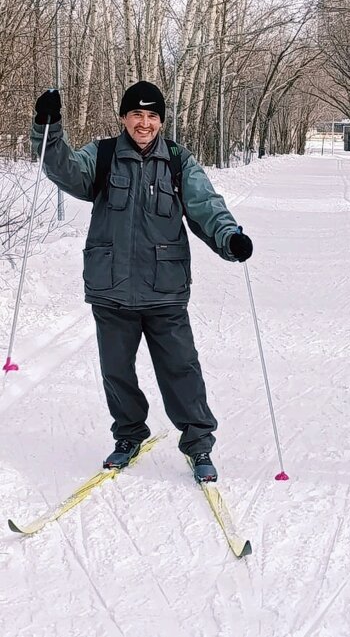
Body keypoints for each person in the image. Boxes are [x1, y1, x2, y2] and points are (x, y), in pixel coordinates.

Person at [30, 81, 254, 483]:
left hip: (164, 291)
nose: (144, 123)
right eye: (137, 114)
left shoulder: (178, 162)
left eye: (152, 116)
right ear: (123, 118)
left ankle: (198, 443)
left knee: (181, 369)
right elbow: (63, 169)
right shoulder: (101, 156)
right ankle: (129, 435)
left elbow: (206, 206)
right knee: (117, 372)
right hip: (111, 289)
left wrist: (229, 237)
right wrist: (50, 127)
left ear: (161, 121)